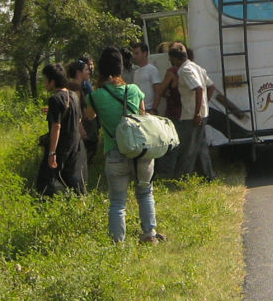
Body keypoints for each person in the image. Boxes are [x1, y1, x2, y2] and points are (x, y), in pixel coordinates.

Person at [85, 47, 164, 244]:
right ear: (121, 68)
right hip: (139, 152)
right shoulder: (135, 90)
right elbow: (142, 115)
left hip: (114, 152)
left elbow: (90, 116)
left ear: (101, 70)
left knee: (117, 202)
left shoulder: (96, 96)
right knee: (145, 193)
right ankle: (149, 235)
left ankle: (117, 242)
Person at [36, 62, 86, 195]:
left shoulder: (55, 99)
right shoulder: (73, 96)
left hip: (61, 145)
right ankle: (81, 199)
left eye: (46, 80)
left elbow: (56, 126)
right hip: (74, 143)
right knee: (67, 176)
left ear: (53, 81)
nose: (45, 83)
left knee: (45, 180)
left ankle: (45, 206)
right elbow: (79, 118)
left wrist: (52, 152)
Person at [170, 43, 215, 181]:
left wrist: (197, 113)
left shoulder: (184, 70)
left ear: (174, 58)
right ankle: (208, 177)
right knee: (201, 147)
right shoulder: (196, 67)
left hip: (191, 115)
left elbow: (198, 88)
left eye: (170, 58)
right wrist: (204, 105)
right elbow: (211, 86)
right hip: (202, 113)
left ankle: (183, 179)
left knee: (187, 149)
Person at [68, 57, 98, 163]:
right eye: (86, 69)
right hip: (80, 127)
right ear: (78, 72)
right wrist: (82, 129)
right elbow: (74, 110)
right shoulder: (74, 88)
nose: (89, 71)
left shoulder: (79, 86)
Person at [131, 41, 161, 113]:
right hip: (139, 110)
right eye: (134, 54)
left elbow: (158, 91)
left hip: (150, 109)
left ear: (145, 53)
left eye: (137, 53)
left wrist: (154, 109)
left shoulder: (152, 70)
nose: (134, 56)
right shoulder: (136, 72)